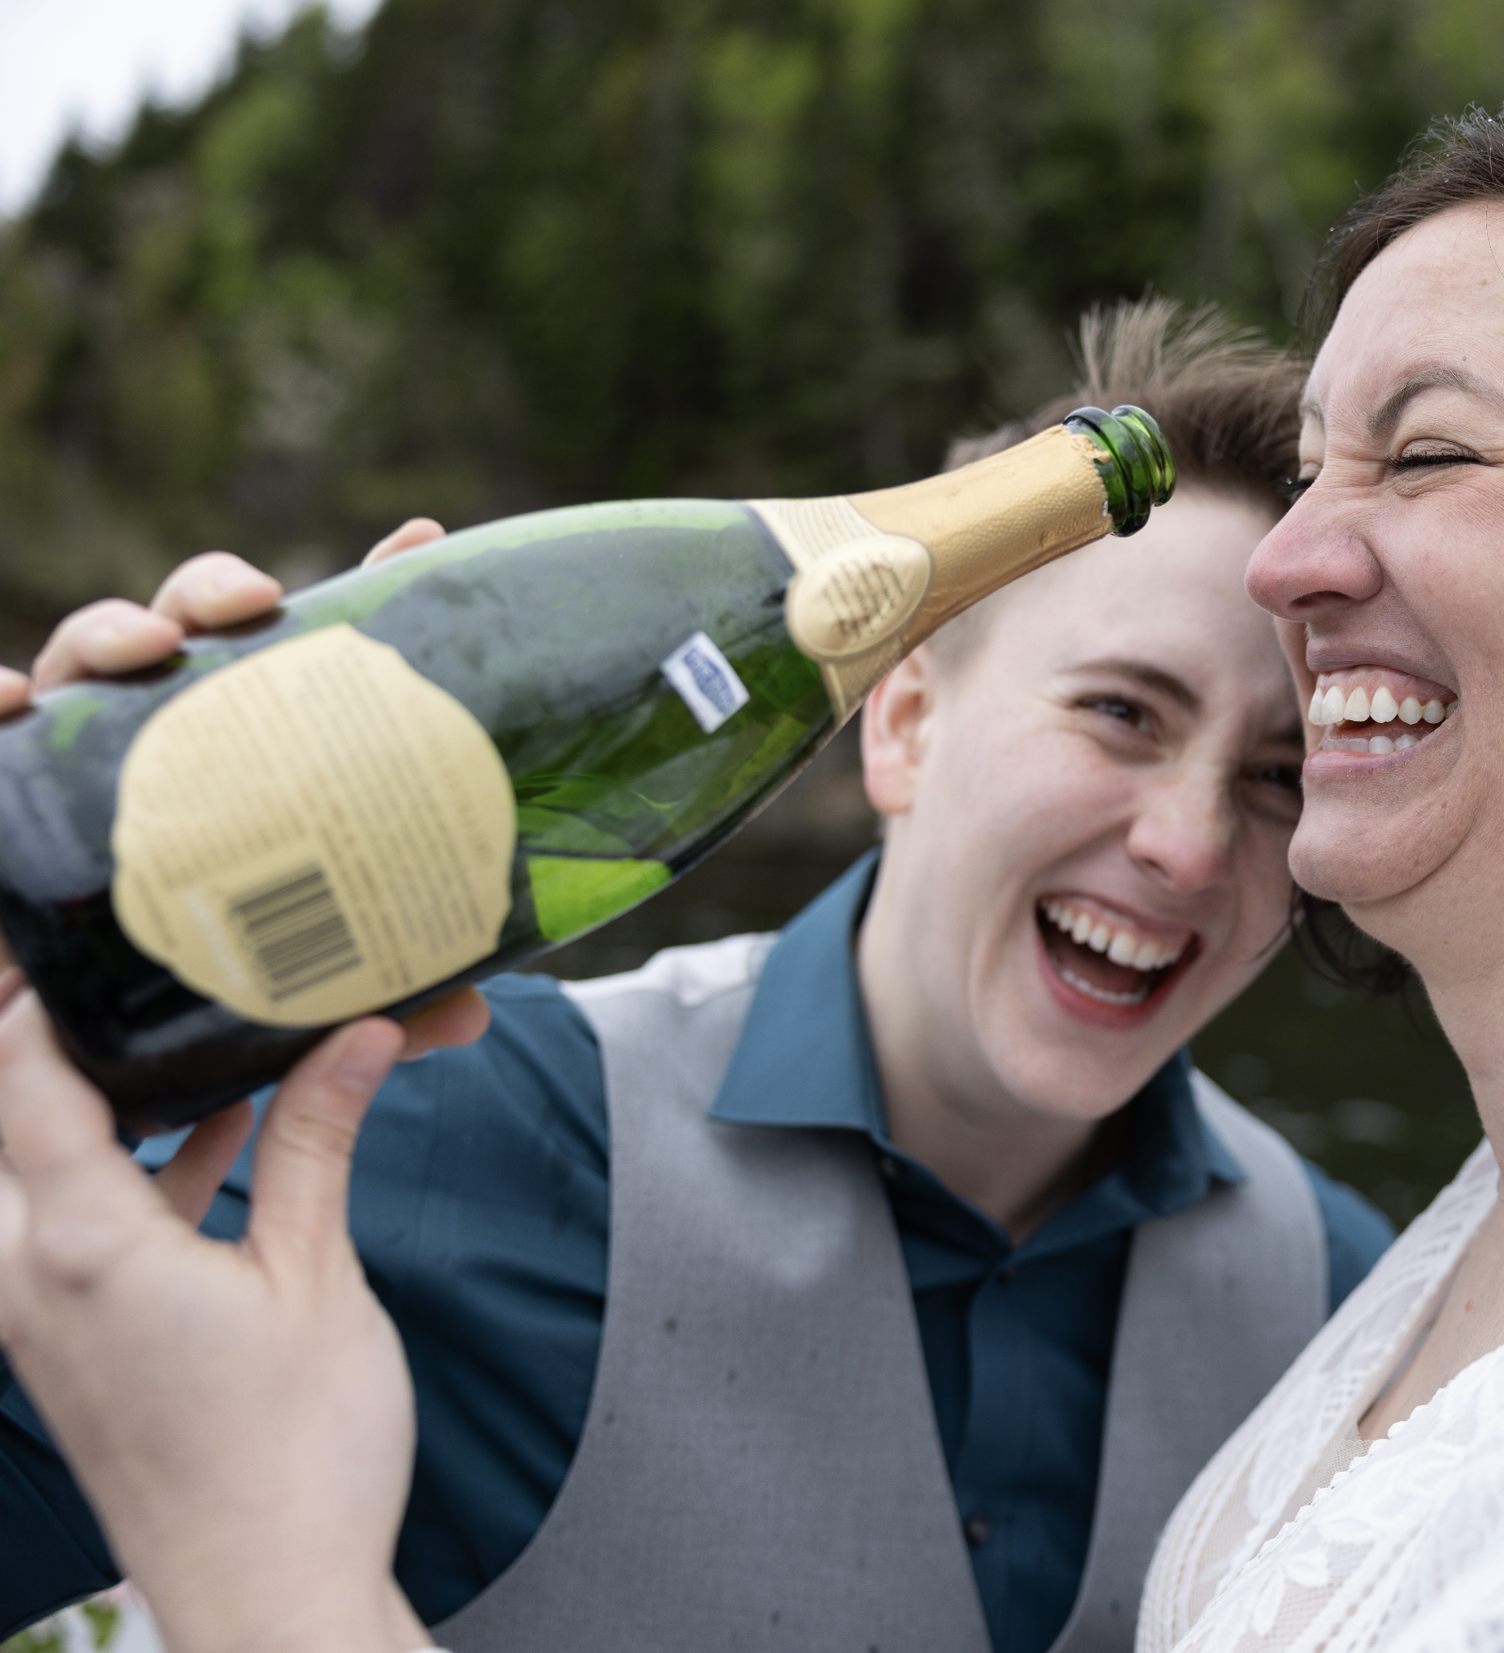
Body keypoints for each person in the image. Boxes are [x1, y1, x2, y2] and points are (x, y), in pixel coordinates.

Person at [0, 101, 1504, 1653]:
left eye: (1421, 454)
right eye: (1122, 713)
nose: (1312, 579)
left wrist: (264, 1572)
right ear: (898, 719)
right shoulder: (1446, 1287)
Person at [0, 298, 1394, 1653]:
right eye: (1120, 712)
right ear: (899, 725)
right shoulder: (436, 1126)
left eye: (1282, 776)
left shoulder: (1344, 1299)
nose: (1192, 846)